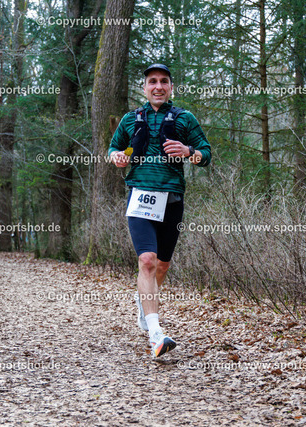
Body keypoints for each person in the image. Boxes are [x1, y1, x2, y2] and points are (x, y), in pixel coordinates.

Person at [109, 64, 211, 357]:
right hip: (140, 196)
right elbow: (114, 148)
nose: (158, 86)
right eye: (152, 81)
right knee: (147, 261)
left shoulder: (184, 118)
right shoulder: (130, 119)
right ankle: (155, 333)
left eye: (163, 81)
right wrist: (117, 156)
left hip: (172, 199)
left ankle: (144, 303)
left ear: (170, 87)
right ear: (144, 88)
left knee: (162, 265)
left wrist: (189, 152)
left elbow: (206, 154)